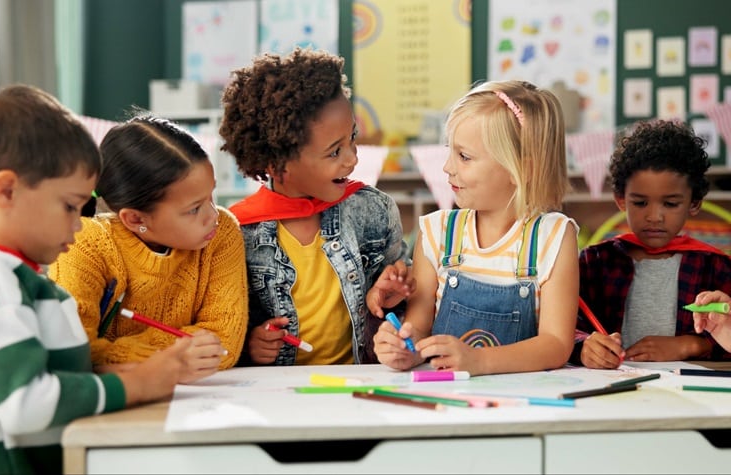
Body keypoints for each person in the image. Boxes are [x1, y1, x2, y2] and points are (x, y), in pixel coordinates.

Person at [0, 84, 211, 474]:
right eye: (68, 206)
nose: (78, 225)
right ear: (7, 191)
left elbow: (45, 377)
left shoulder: (15, 278)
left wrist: (114, 374)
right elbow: (24, 404)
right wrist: (137, 385)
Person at [218, 47, 413, 366]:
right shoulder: (238, 232)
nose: (352, 159)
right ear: (277, 162)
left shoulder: (374, 210)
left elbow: (401, 299)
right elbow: (225, 325)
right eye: (334, 152)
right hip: (280, 393)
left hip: (360, 381)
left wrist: (392, 293)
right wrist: (250, 345)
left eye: (352, 138)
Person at [373, 80, 579, 376]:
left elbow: (556, 344)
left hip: (519, 403)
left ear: (522, 168)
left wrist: (480, 362)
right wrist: (403, 348)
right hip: (446, 398)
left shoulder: (554, 237)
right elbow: (419, 327)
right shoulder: (437, 232)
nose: (447, 167)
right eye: (450, 152)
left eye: (464, 157)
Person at [48, 115, 248, 373]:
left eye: (212, 195)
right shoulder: (85, 244)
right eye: (194, 208)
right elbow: (75, 352)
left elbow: (224, 344)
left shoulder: (222, 232)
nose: (213, 215)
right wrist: (173, 358)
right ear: (135, 219)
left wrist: (117, 354)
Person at [573, 119, 731, 369]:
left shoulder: (716, 267)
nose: (654, 216)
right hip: (608, 394)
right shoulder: (594, 263)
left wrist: (690, 345)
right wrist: (583, 346)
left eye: (670, 204)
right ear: (620, 200)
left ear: (694, 203)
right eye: (640, 203)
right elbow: (559, 328)